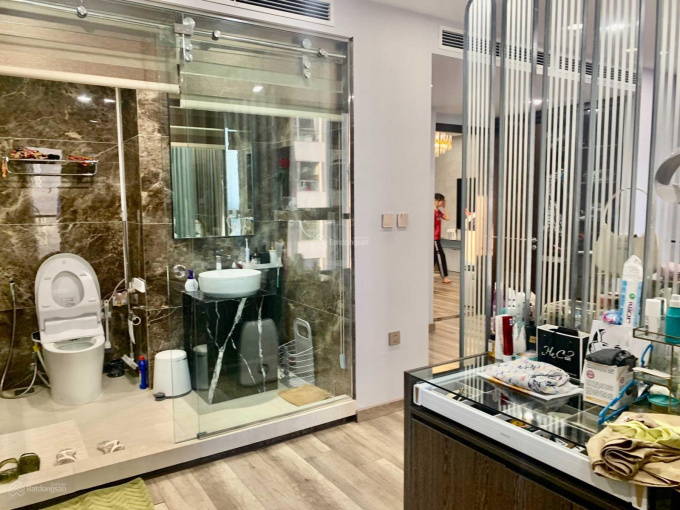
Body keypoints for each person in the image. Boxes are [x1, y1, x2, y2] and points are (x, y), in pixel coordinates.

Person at [434, 193, 452, 284]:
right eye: (441, 201)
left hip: (437, 238)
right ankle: (444, 277)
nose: (442, 203)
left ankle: (428, 276)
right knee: (440, 256)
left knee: (433, 258)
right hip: (434, 239)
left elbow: (447, 218)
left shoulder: (438, 212)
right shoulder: (432, 212)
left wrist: (445, 207)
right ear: (436, 201)